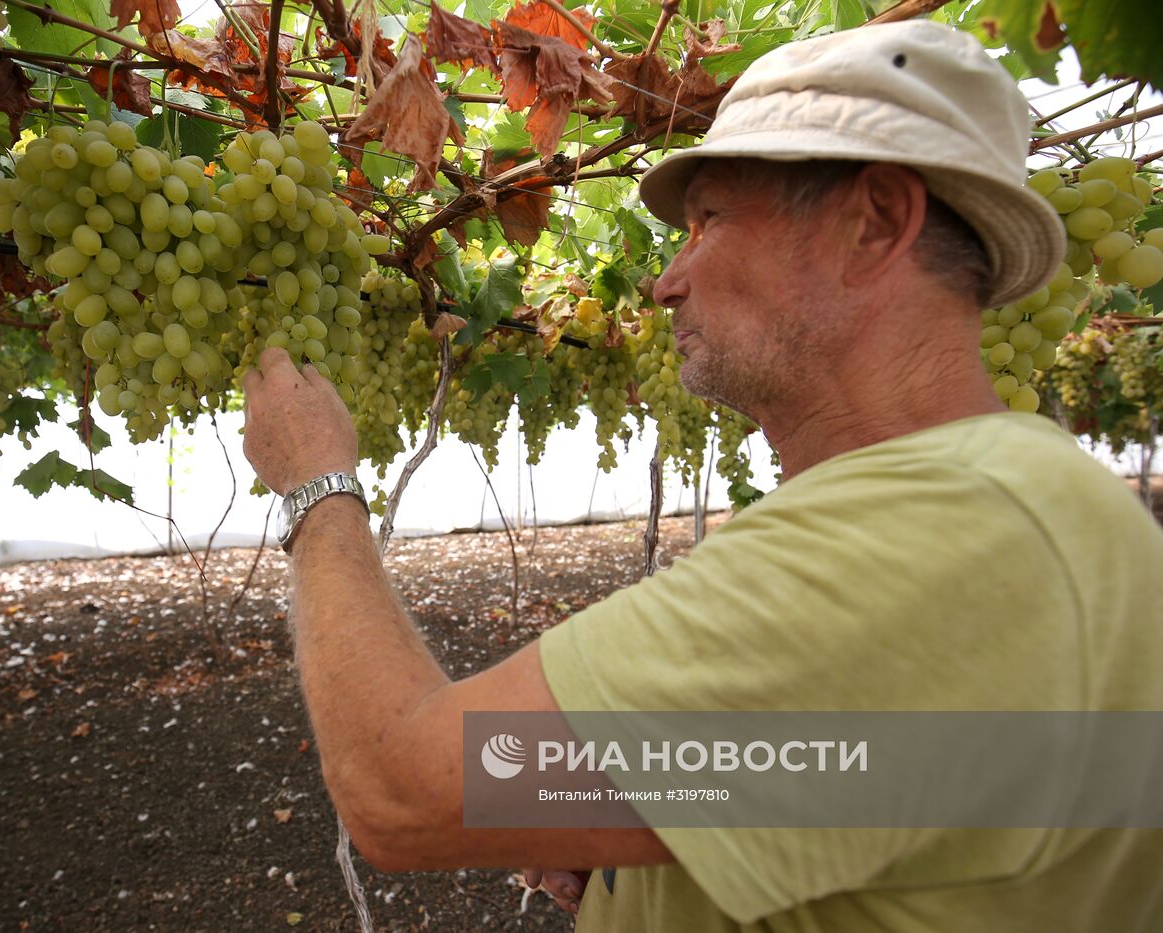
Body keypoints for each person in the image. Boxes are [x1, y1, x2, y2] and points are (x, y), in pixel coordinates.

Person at [241, 19, 1163, 932]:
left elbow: (402, 789)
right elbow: (851, 768)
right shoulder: (1017, 511)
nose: (664, 281)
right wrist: (640, 846)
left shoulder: (929, 538)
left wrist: (317, 487)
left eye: (708, 220)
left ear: (874, 223)